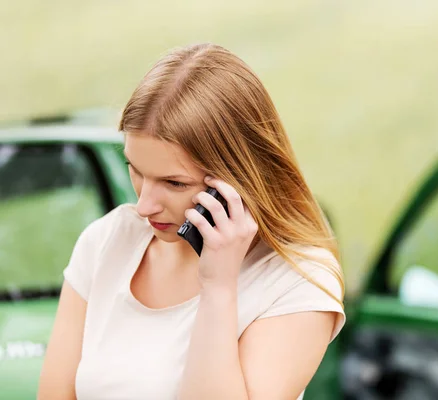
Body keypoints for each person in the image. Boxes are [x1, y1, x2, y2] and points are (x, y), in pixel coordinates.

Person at [37, 43, 345, 400]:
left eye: (174, 183)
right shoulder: (107, 240)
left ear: (238, 178)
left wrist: (217, 287)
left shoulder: (297, 281)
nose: (143, 206)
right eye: (135, 171)